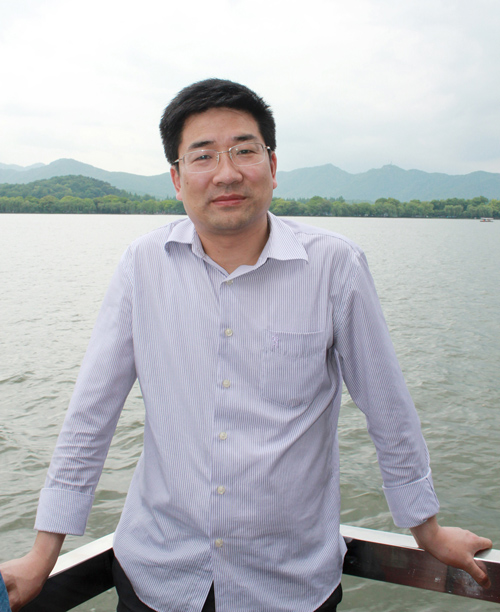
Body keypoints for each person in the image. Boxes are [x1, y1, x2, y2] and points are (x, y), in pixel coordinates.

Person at [0, 79, 492, 612]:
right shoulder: (142, 265)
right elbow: (91, 413)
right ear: (177, 178)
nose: (226, 173)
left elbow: (388, 407)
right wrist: (42, 555)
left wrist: (427, 530)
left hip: (289, 583)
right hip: (159, 577)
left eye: (244, 150)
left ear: (272, 166)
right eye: (203, 156)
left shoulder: (334, 266)